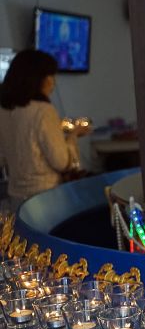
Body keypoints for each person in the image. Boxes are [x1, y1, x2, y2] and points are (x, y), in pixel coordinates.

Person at [0, 49, 83, 209]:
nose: (53, 82)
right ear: (37, 79)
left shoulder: (4, 110)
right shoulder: (43, 110)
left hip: (16, 197)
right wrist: (73, 135)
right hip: (45, 198)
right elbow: (61, 161)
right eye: (51, 76)